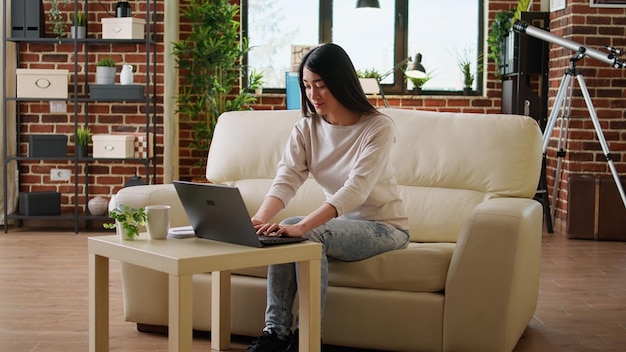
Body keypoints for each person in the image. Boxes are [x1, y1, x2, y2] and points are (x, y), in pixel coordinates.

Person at [245, 43, 410, 352]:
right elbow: (286, 179)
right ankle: (276, 333)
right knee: (284, 231)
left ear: (342, 82)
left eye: (321, 85)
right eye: (307, 86)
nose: (313, 94)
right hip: (340, 227)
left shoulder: (377, 127)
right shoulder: (306, 128)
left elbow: (355, 190)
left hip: (385, 228)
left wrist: (303, 226)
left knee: (301, 230)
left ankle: (308, 340)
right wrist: (258, 219)